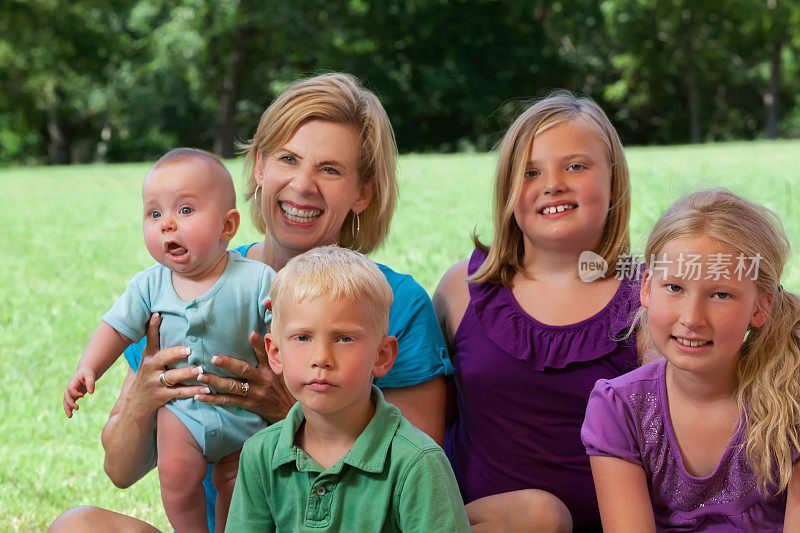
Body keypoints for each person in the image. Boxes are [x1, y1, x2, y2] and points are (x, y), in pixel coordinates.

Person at [50, 73, 451, 532]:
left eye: (330, 169)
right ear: (260, 168)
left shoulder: (394, 305)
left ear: (362, 192)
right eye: (288, 159)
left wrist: (291, 412)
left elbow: (415, 485)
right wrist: (141, 400)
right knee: (77, 525)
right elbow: (119, 472)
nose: (302, 185)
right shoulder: (192, 283)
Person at [433, 92, 642, 531]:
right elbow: (429, 424)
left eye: (576, 166)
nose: (553, 183)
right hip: (488, 522)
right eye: (531, 172)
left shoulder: (651, 298)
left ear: (614, 181)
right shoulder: (462, 291)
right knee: (541, 517)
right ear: (508, 190)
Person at [61, 147, 274, 532]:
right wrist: (88, 367)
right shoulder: (147, 285)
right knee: (176, 476)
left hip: (245, 411)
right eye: (154, 213)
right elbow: (116, 327)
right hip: (182, 410)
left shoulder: (257, 278)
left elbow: (284, 330)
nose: (167, 225)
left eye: (186, 211)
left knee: (237, 483)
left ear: (228, 226)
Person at [582, 188, 800, 532]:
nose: (692, 317)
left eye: (720, 294)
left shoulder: (790, 398)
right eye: (674, 288)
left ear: (760, 307)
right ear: (647, 288)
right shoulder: (619, 410)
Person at [227, 246, 470, 532]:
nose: (321, 359)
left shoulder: (417, 463)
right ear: (275, 352)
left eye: (344, 339)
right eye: (303, 337)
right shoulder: (259, 454)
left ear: (382, 356)